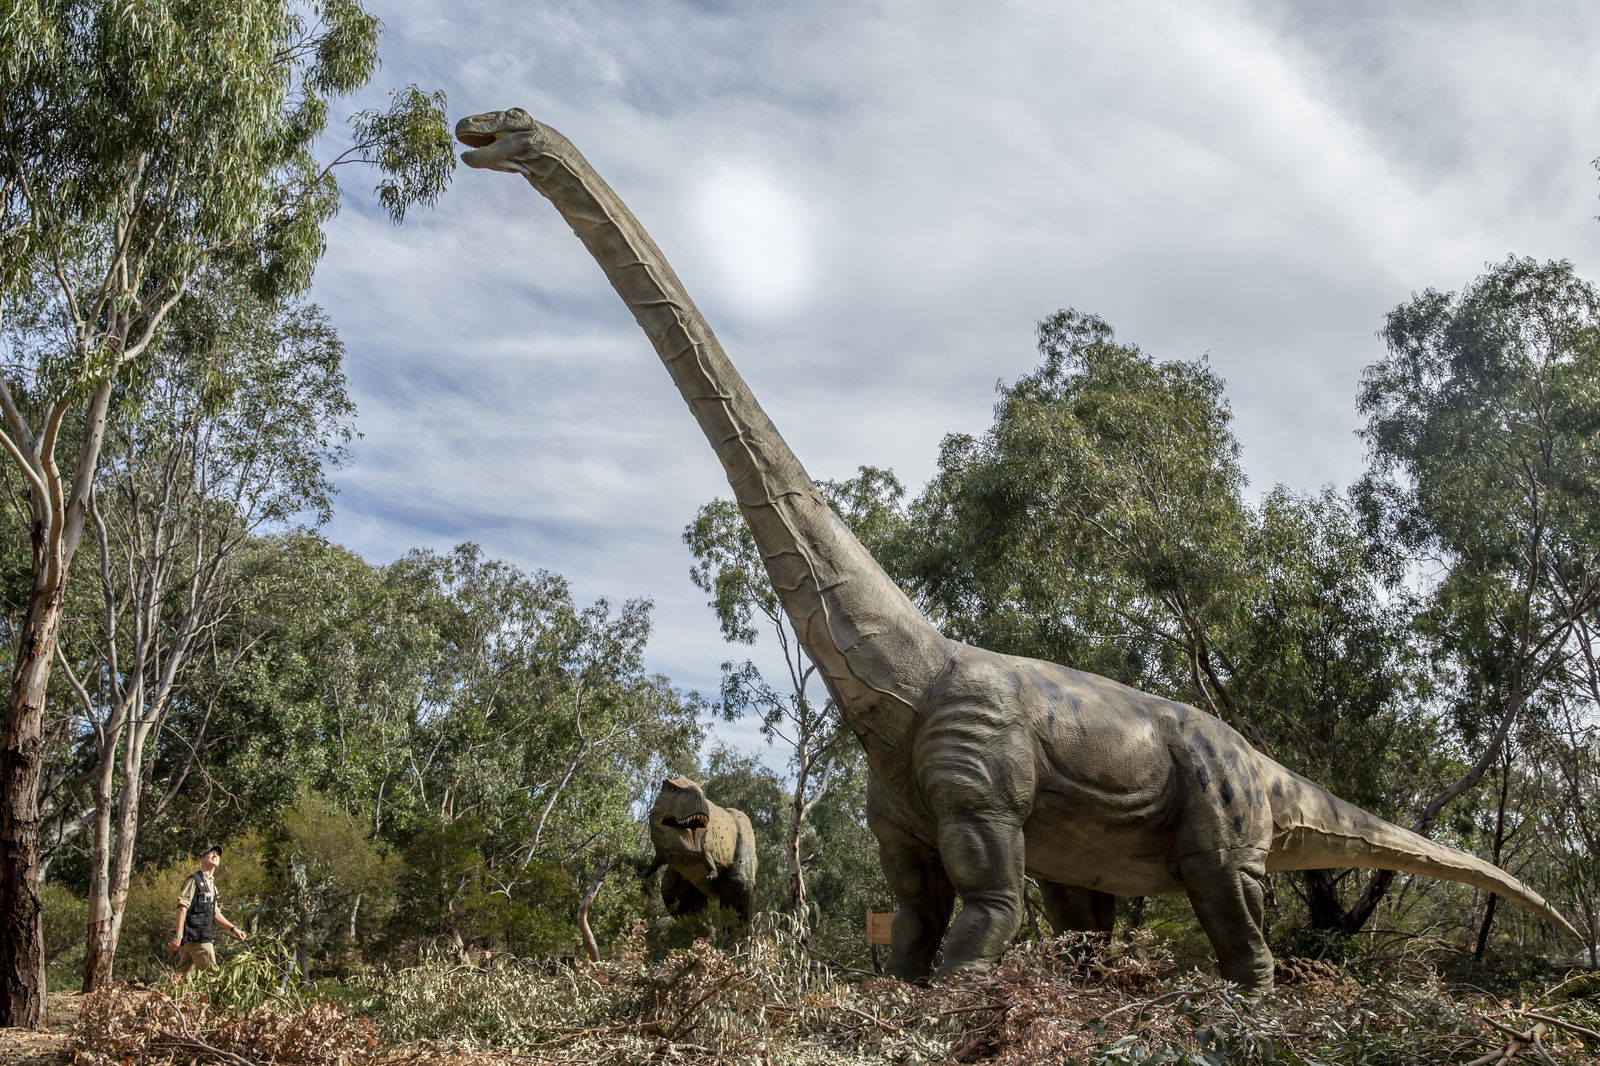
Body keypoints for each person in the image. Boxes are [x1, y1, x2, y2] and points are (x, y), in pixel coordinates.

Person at [166, 844, 246, 973]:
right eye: (211, 853)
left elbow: (214, 912)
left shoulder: (212, 885)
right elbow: (182, 907)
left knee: (181, 977)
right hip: (198, 938)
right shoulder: (194, 881)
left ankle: (166, 992)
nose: (215, 855)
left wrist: (233, 928)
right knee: (211, 976)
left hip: (198, 937)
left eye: (217, 854)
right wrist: (178, 936)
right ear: (201, 860)